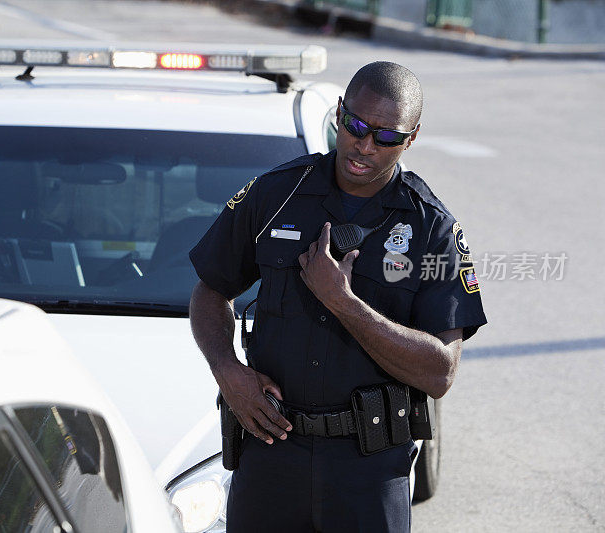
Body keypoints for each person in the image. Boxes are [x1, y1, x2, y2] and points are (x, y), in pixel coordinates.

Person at [188, 61, 487, 532]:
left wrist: (344, 303)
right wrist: (228, 371)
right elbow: (209, 290)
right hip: (271, 453)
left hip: (368, 470)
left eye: (385, 137)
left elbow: (439, 371)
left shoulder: (433, 229)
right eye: (356, 126)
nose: (364, 146)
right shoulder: (275, 195)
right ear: (340, 115)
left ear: (411, 138)